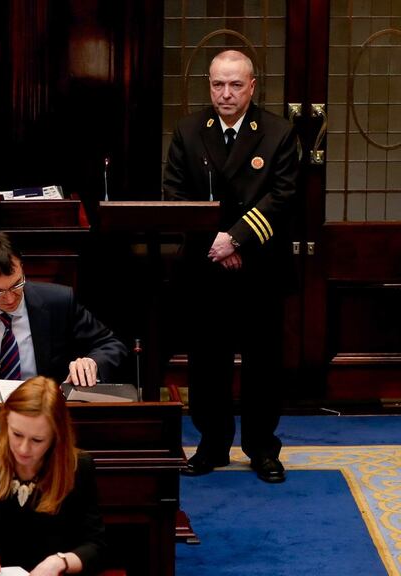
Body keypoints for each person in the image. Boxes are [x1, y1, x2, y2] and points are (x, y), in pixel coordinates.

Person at [163, 50, 299, 484]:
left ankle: (262, 448)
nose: (226, 93)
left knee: (262, 362)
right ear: (209, 84)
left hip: (260, 269)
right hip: (207, 269)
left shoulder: (278, 132)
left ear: (252, 86)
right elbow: (175, 197)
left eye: (235, 85)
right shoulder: (188, 131)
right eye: (218, 84)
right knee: (208, 360)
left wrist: (235, 238)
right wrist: (216, 244)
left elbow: (281, 197)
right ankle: (212, 443)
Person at [0, 231, 127, 402]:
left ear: (22, 266)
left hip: (46, 413)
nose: (10, 298)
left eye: (17, 284)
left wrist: (92, 363)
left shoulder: (59, 301)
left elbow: (111, 345)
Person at [0, 376, 107, 575]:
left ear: (57, 436)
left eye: (37, 440)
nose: (23, 449)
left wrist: (60, 562)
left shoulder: (76, 466)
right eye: (17, 434)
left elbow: (95, 545)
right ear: (6, 421)